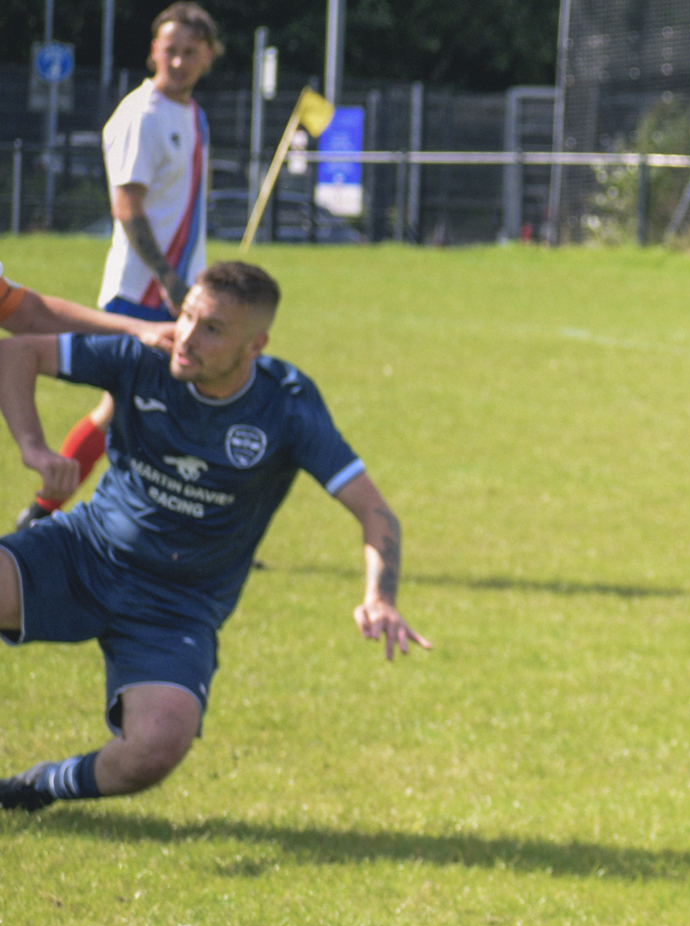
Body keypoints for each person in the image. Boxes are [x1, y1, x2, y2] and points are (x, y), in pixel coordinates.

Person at [0, 261, 428, 812]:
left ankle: (40, 787)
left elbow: (376, 512)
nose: (186, 338)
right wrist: (34, 447)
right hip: (85, 551)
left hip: (179, 605)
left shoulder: (287, 406)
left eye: (212, 330)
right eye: (186, 317)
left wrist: (380, 597)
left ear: (256, 345)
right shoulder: (147, 356)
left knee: (157, 747)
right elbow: (16, 352)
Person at [19, 2, 220, 529]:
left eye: (189, 52)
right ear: (153, 50)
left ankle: (43, 512)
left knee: (133, 413)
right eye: (169, 49)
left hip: (177, 294)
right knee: (150, 411)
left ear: (208, 57)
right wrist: (168, 277)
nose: (177, 61)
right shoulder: (142, 115)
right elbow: (127, 206)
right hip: (142, 295)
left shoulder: (192, 113)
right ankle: (164, 524)